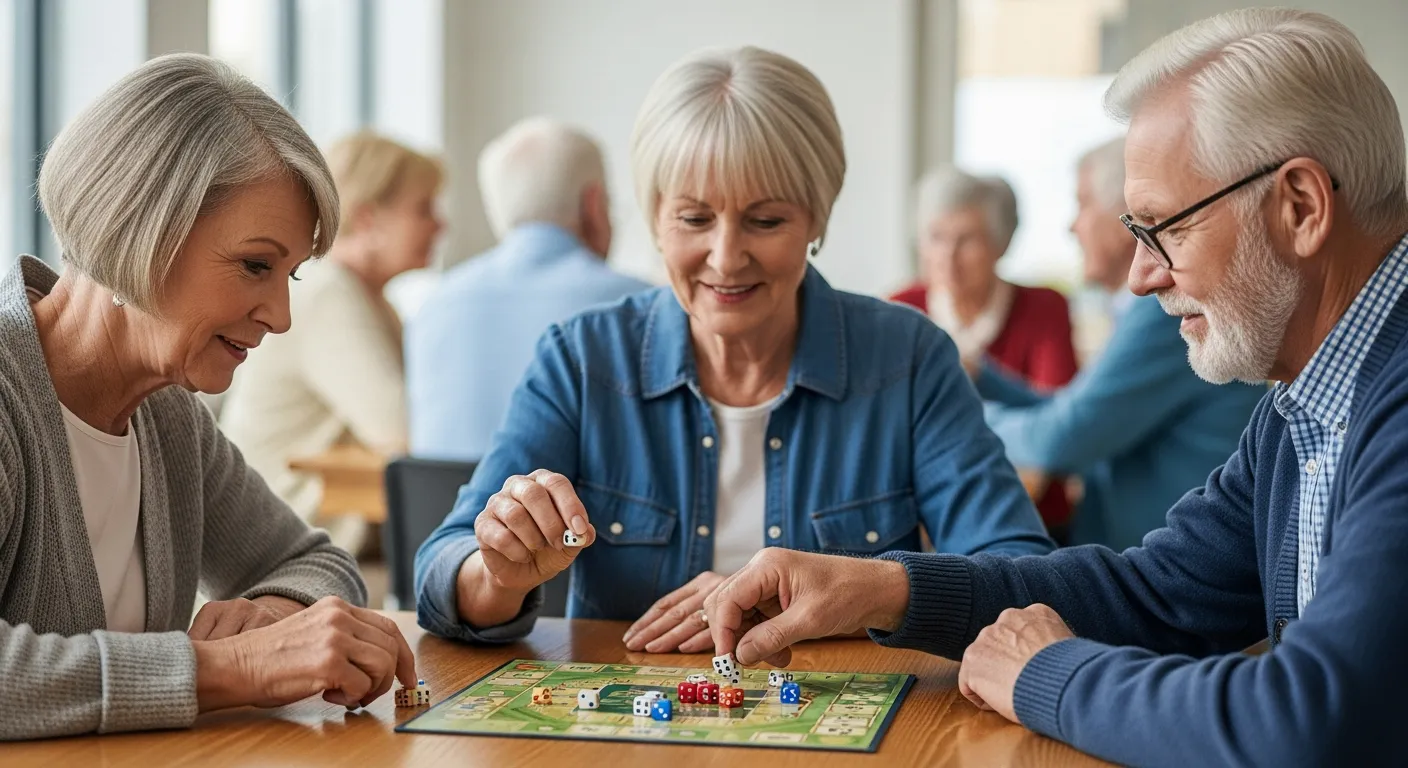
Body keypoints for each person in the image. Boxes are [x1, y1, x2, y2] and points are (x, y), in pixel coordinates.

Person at [703, 9, 1408, 766]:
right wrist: (885, 589)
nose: (1141, 277)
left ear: (1300, 206)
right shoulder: (1302, 404)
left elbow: (1310, 722)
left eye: (1164, 229)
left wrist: (1046, 673)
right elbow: (1157, 595)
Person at [414, 46, 1052, 654]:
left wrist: (862, 595)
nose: (725, 257)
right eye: (694, 219)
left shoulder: (909, 358)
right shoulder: (582, 359)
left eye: (766, 220)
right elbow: (442, 574)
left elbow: (1025, 578)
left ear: (818, 218)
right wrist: (500, 574)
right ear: (655, 219)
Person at [0, 54, 416, 742]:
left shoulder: (167, 415)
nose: (280, 317)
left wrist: (279, 611)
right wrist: (228, 669)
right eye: (256, 265)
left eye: (290, 276)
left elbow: (316, 561)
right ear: (135, 227)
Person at [973, 136, 1263, 550]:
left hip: (1170, 572)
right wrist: (979, 376)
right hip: (1142, 554)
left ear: (1128, 213)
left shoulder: (1162, 314)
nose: (1072, 226)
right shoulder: (1133, 311)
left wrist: (965, 415)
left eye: (1083, 203)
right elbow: (1075, 413)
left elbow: (1063, 438)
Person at [221, 131, 443, 551]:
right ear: (367, 219)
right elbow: (408, 431)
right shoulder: (329, 295)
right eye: (424, 209)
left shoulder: (375, 302)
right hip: (279, 546)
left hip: (323, 534)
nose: (440, 224)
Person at [406, 118, 649, 461]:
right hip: (573, 515)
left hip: (444, 514)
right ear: (593, 204)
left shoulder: (433, 306)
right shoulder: (641, 307)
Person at [890, 168, 1079, 535]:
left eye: (966, 239)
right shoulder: (900, 309)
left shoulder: (1044, 307)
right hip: (926, 513)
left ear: (1001, 243)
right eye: (936, 237)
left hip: (1035, 518)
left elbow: (1055, 418)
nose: (947, 255)